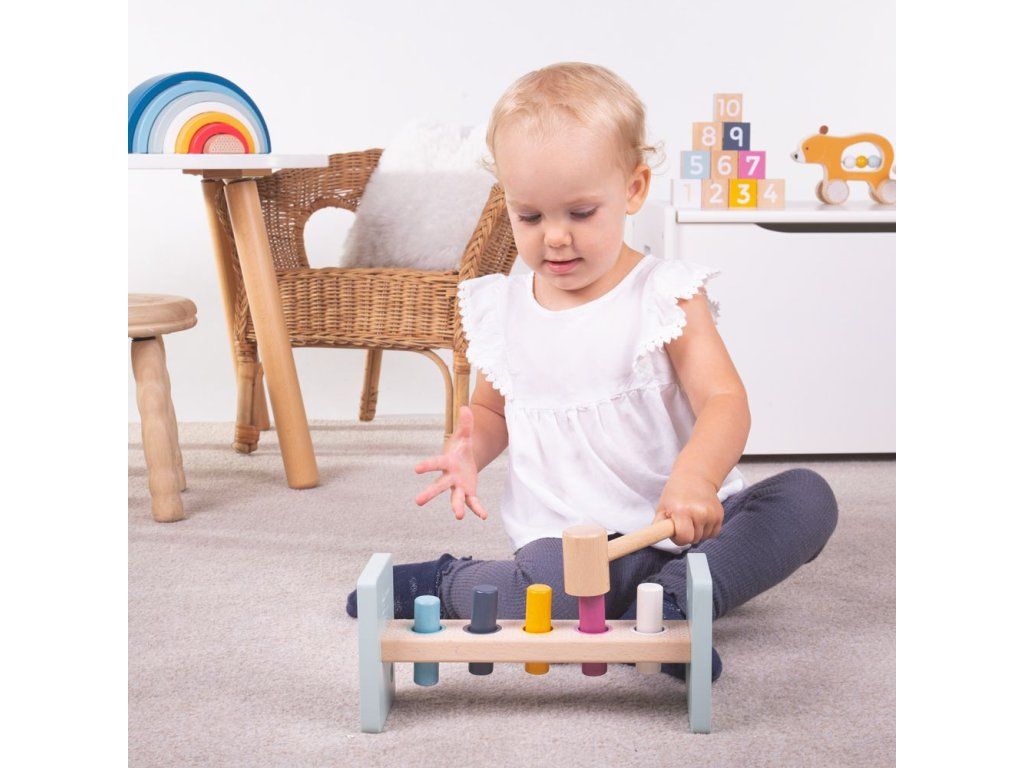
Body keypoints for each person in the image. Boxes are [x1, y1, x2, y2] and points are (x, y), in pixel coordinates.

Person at [346, 62, 838, 682]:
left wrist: (696, 479)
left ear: (633, 190)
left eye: (580, 213)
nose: (554, 237)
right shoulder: (504, 309)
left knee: (805, 498)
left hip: (684, 523)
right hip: (572, 544)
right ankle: (449, 581)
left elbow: (723, 399)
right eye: (530, 217)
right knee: (548, 592)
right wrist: (471, 448)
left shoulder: (665, 292)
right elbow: (492, 411)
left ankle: (676, 606)